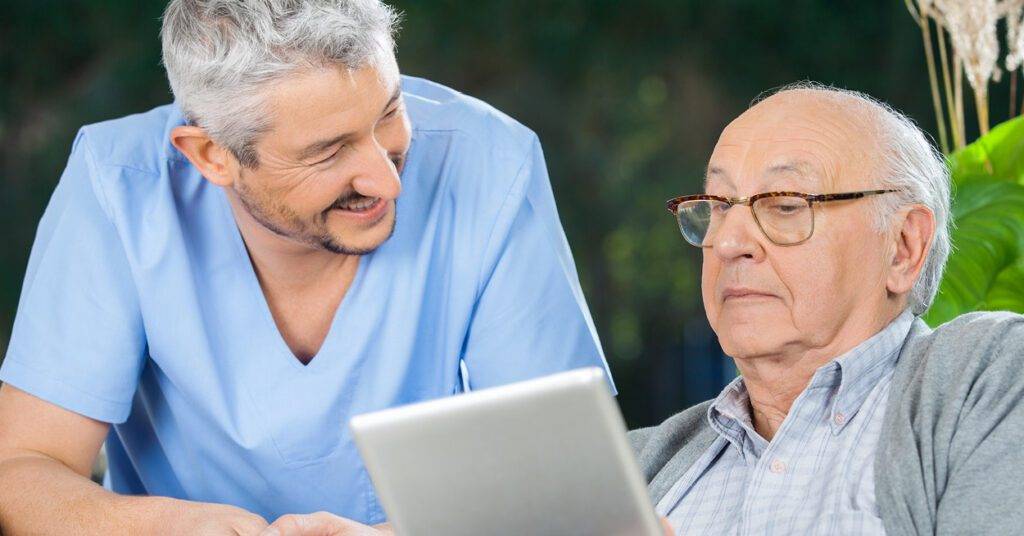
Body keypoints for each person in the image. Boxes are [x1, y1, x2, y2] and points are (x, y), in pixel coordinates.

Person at [0, 1, 610, 533]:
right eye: (329, 150)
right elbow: (23, 469)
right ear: (212, 156)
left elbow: (568, 474)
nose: (387, 180)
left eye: (389, 114)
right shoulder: (117, 184)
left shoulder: (493, 161)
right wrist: (161, 527)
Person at [631, 84, 1024, 535]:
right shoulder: (640, 464)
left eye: (785, 205)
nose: (729, 242)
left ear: (902, 247)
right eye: (718, 206)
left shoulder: (987, 381)